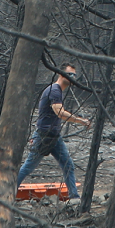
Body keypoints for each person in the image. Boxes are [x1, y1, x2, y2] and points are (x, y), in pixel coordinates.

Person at [17, 63, 91, 199]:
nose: (72, 77)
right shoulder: (55, 90)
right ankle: (7, 191)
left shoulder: (58, 91)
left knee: (68, 165)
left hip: (55, 137)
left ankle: (74, 197)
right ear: (60, 74)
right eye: (69, 74)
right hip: (43, 136)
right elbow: (60, 113)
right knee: (28, 167)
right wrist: (81, 121)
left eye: (74, 75)